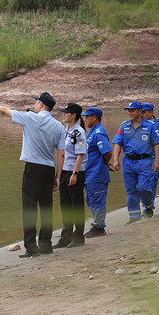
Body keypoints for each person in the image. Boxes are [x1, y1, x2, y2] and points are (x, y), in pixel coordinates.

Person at [0, 93, 66, 257]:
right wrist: (58, 176)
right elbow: (61, 154)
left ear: (41, 105)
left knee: (29, 208)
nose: (35, 104)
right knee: (46, 208)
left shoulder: (29, 118)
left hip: (33, 168)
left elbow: (3, 110)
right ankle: (46, 245)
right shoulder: (58, 126)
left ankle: (32, 248)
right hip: (49, 169)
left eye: (36, 102)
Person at [110, 101, 159, 225]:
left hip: (145, 161)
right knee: (131, 190)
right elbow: (118, 143)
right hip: (129, 161)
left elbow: (157, 143)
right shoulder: (124, 126)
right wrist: (116, 159)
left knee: (143, 187)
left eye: (133, 110)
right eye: (128, 110)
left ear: (140, 111)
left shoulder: (150, 126)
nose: (130, 113)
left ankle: (149, 205)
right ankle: (134, 216)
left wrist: (157, 161)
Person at [55, 103, 88, 248]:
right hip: (65, 172)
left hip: (76, 172)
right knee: (65, 205)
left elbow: (80, 155)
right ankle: (66, 236)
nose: (63, 114)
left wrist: (74, 174)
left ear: (74, 115)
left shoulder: (79, 132)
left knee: (76, 205)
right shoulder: (66, 130)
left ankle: (79, 236)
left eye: (66, 113)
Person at [80, 107, 113, 237]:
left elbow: (107, 151)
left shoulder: (98, 133)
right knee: (92, 200)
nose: (85, 119)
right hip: (90, 173)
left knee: (97, 199)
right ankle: (97, 224)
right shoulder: (92, 133)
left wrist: (104, 163)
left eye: (87, 117)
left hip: (97, 173)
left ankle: (99, 227)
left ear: (94, 118)